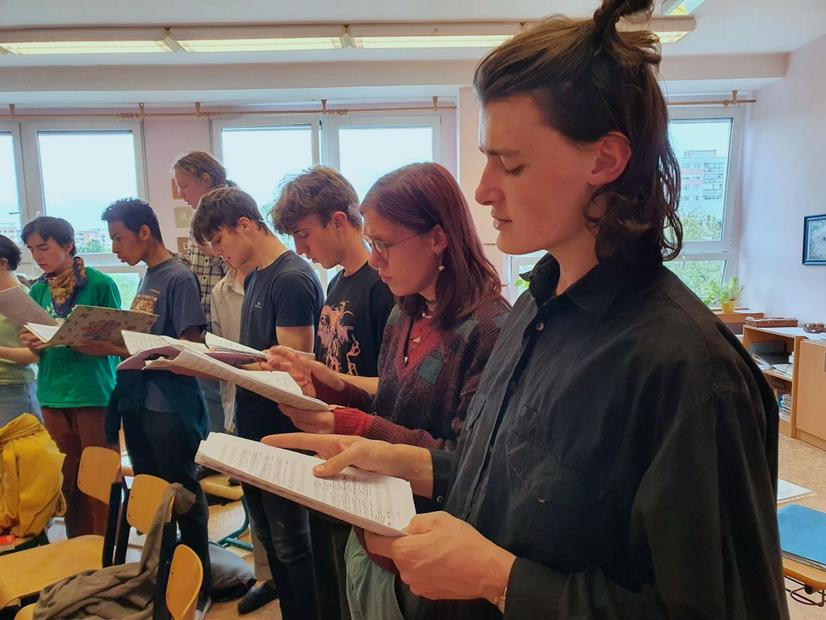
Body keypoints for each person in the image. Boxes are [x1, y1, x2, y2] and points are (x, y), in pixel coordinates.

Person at [265, 1, 789, 618]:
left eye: (510, 164)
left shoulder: (689, 371)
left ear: (604, 160)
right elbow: (507, 480)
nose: (484, 189)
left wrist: (501, 579)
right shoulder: (533, 310)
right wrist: (404, 462)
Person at [267, 162, 508, 453]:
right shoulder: (405, 312)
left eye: (383, 244)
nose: (374, 259)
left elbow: (468, 459)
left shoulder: (489, 329)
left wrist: (355, 425)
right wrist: (331, 387)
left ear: (437, 239)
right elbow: (390, 406)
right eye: (372, 243)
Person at [191, 187, 324, 620]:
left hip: (283, 432)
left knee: (293, 545)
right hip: (253, 427)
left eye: (219, 240)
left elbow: (293, 375)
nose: (218, 253)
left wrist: (225, 364)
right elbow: (261, 357)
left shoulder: (291, 277)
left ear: (245, 225)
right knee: (268, 537)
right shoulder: (258, 275)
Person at [271, 166, 396, 620]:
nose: (300, 248)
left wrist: (324, 377)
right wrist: (301, 369)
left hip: (364, 453)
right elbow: (335, 363)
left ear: (339, 221)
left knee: (353, 583)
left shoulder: (382, 287)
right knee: (329, 571)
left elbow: (394, 386)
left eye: (305, 234)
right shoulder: (338, 281)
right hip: (330, 441)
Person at [100, 198, 212, 596]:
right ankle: (162, 571)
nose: (115, 248)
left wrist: (142, 351)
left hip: (169, 405)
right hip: (140, 402)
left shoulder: (178, 277)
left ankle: (199, 580)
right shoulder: (149, 276)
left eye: (118, 238)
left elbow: (190, 346)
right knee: (152, 490)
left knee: (182, 491)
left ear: (144, 232)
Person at [17, 216, 120, 538]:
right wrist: (32, 342)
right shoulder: (37, 290)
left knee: (101, 476)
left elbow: (119, 342)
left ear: (68, 245)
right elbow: (36, 351)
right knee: (67, 479)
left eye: (44, 247)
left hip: (93, 392)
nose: (38, 256)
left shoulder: (99, 284)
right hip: (52, 394)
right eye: (32, 250)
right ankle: (79, 546)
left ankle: (108, 548)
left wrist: (71, 338)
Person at [173, 150, 233, 434]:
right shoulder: (200, 215)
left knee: (222, 398)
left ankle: (225, 452)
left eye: (184, 186)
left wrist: (213, 251)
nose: (181, 194)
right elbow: (195, 265)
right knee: (209, 396)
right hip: (205, 323)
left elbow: (240, 268)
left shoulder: (228, 209)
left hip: (225, 325)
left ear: (205, 178)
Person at [0, 234, 42, 426]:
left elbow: (37, 355)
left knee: (21, 443)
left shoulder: (25, 300)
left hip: (14, 388)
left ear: (2, 264)